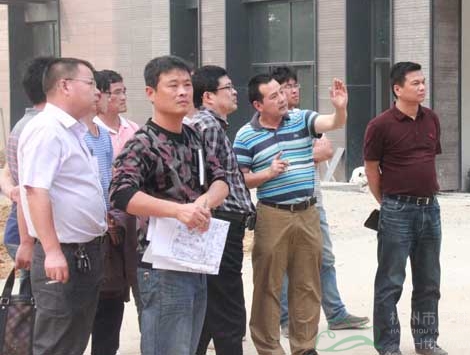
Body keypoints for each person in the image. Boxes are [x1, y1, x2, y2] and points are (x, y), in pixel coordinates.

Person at [109, 55, 229, 355]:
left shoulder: (194, 136)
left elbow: (221, 180)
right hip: (161, 265)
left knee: (188, 347)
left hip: (195, 257)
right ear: (151, 93)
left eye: (187, 84)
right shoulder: (142, 142)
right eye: (173, 85)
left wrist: (203, 202)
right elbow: (121, 194)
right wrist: (178, 210)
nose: (183, 92)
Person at [233, 73, 348, 355]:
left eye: (281, 92)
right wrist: (267, 173)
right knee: (268, 285)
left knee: (307, 284)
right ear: (258, 105)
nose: (282, 98)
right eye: (273, 96)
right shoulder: (245, 135)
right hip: (273, 215)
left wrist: (340, 109)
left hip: (308, 212)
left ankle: (305, 347)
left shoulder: (301, 119)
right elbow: (239, 179)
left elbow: (332, 123)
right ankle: (269, 348)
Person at [18, 57, 107, 355]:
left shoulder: (73, 130)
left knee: (73, 340)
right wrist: (52, 251)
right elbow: (35, 191)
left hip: (85, 252)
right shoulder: (46, 129)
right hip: (64, 253)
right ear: (65, 85)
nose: (97, 91)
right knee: (56, 342)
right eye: (90, 83)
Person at [271, 66, 369, 337]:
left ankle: (336, 313)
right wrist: (306, 152)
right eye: (287, 86)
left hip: (314, 202)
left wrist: (296, 153)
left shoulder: (306, 118)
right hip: (281, 204)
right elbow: (270, 159)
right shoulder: (267, 123)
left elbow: (326, 149)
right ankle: (286, 319)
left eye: (295, 85)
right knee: (285, 262)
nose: (294, 90)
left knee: (324, 257)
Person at [363, 62, 447, 355]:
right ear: (397, 89)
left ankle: (426, 341)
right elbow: (371, 169)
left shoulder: (431, 119)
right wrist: (387, 203)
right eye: (415, 83)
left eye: (423, 82)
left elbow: (429, 159)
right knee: (390, 282)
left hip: (430, 210)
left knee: (429, 281)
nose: (422, 87)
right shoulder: (380, 125)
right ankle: (388, 345)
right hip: (397, 210)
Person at [187, 65, 255, 355]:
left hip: (220, 221)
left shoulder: (205, 124)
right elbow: (212, 179)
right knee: (228, 305)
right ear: (208, 97)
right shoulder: (209, 126)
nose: (234, 92)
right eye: (228, 88)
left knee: (211, 304)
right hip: (221, 222)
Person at [82, 70, 127, 355]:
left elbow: (109, 179)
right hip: (87, 233)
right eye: (95, 90)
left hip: (110, 230)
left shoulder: (102, 138)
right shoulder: (76, 135)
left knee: (112, 302)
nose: (99, 96)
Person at [0, 57, 54, 284]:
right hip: (32, 234)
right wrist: (27, 242)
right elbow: (30, 189)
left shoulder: (27, 124)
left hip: (29, 232)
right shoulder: (40, 128)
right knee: (37, 297)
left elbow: (7, 172)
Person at [94, 69, 139, 154]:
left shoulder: (133, 128)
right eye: (117, 92)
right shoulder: (92, 130)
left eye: (124, 92)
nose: (123, 97)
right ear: (100, 95)